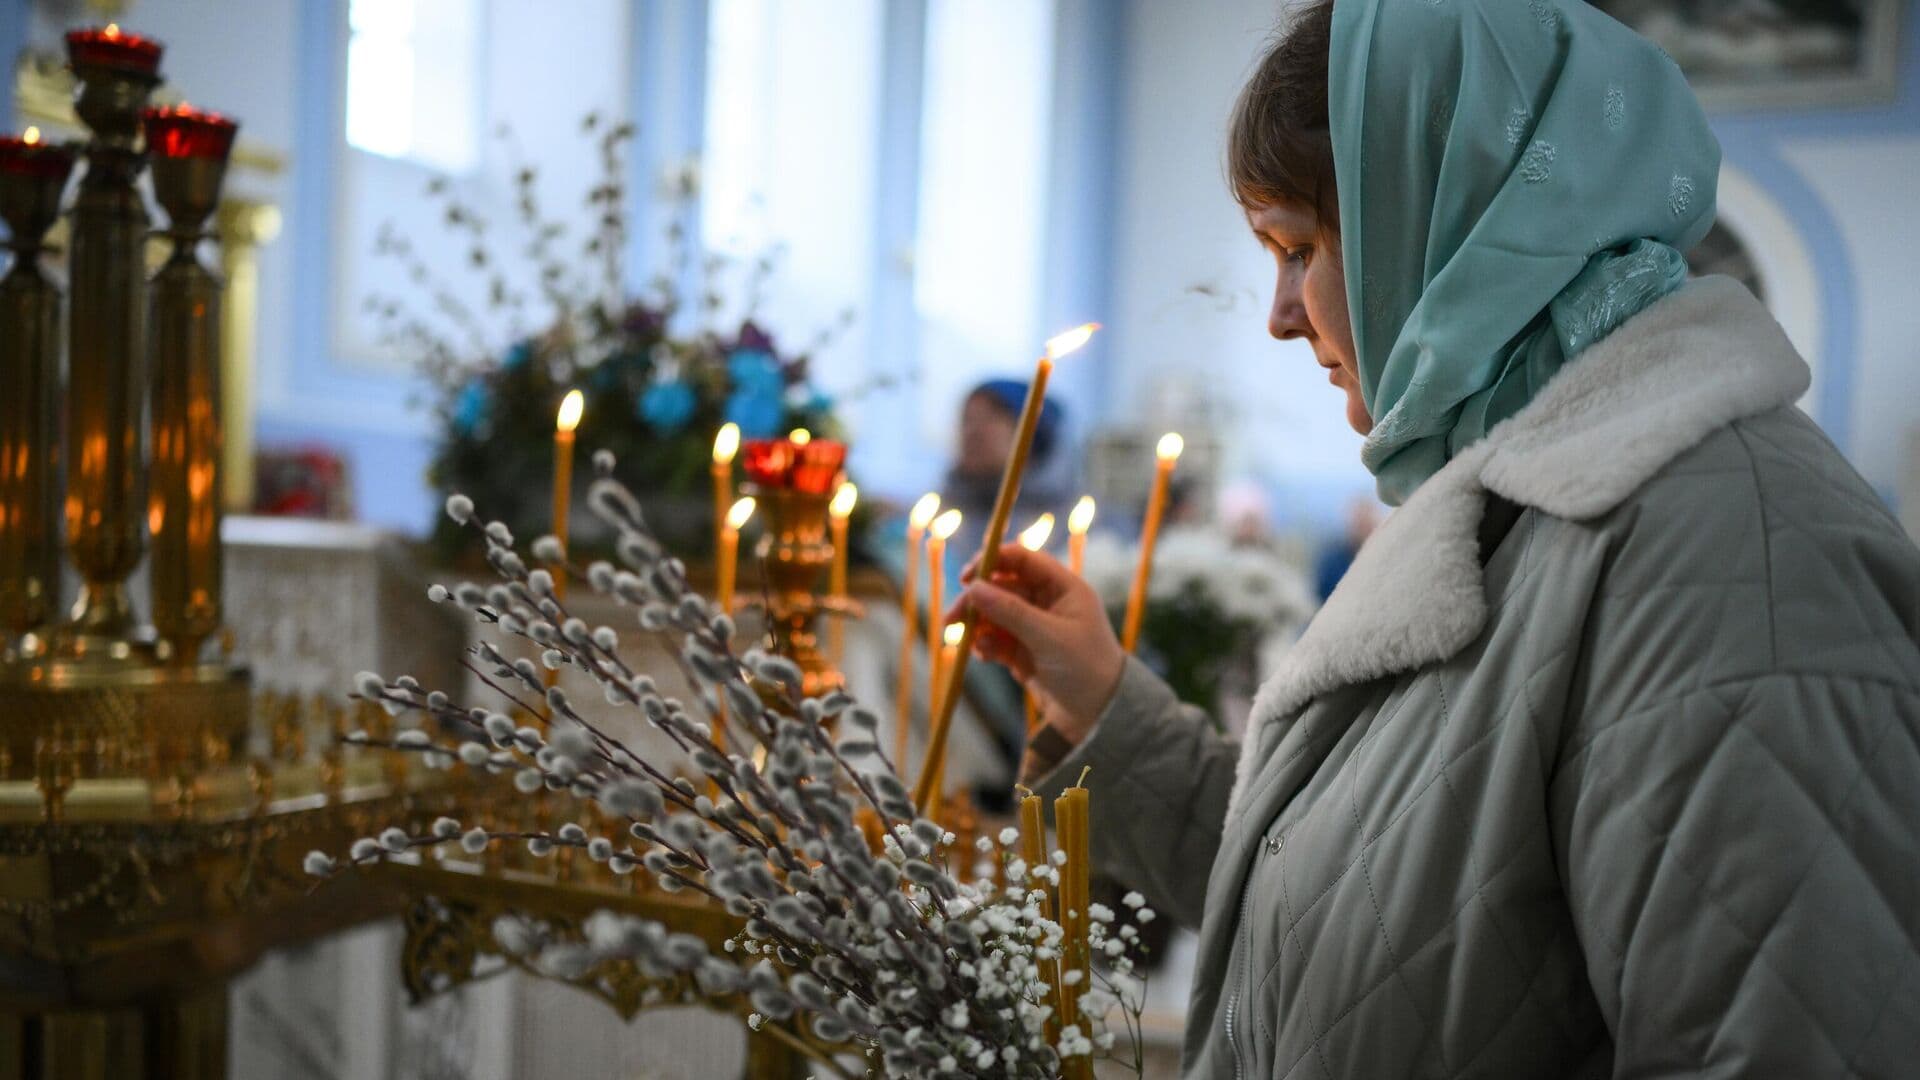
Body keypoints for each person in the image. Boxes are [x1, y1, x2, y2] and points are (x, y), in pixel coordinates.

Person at [955, 1, 1920, 1075]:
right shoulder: (1518, 497)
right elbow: (1375, 912)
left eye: (1301, 248)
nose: (1279, 314)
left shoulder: (1737, 566)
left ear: (1450, 224)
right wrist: (1101, 702)